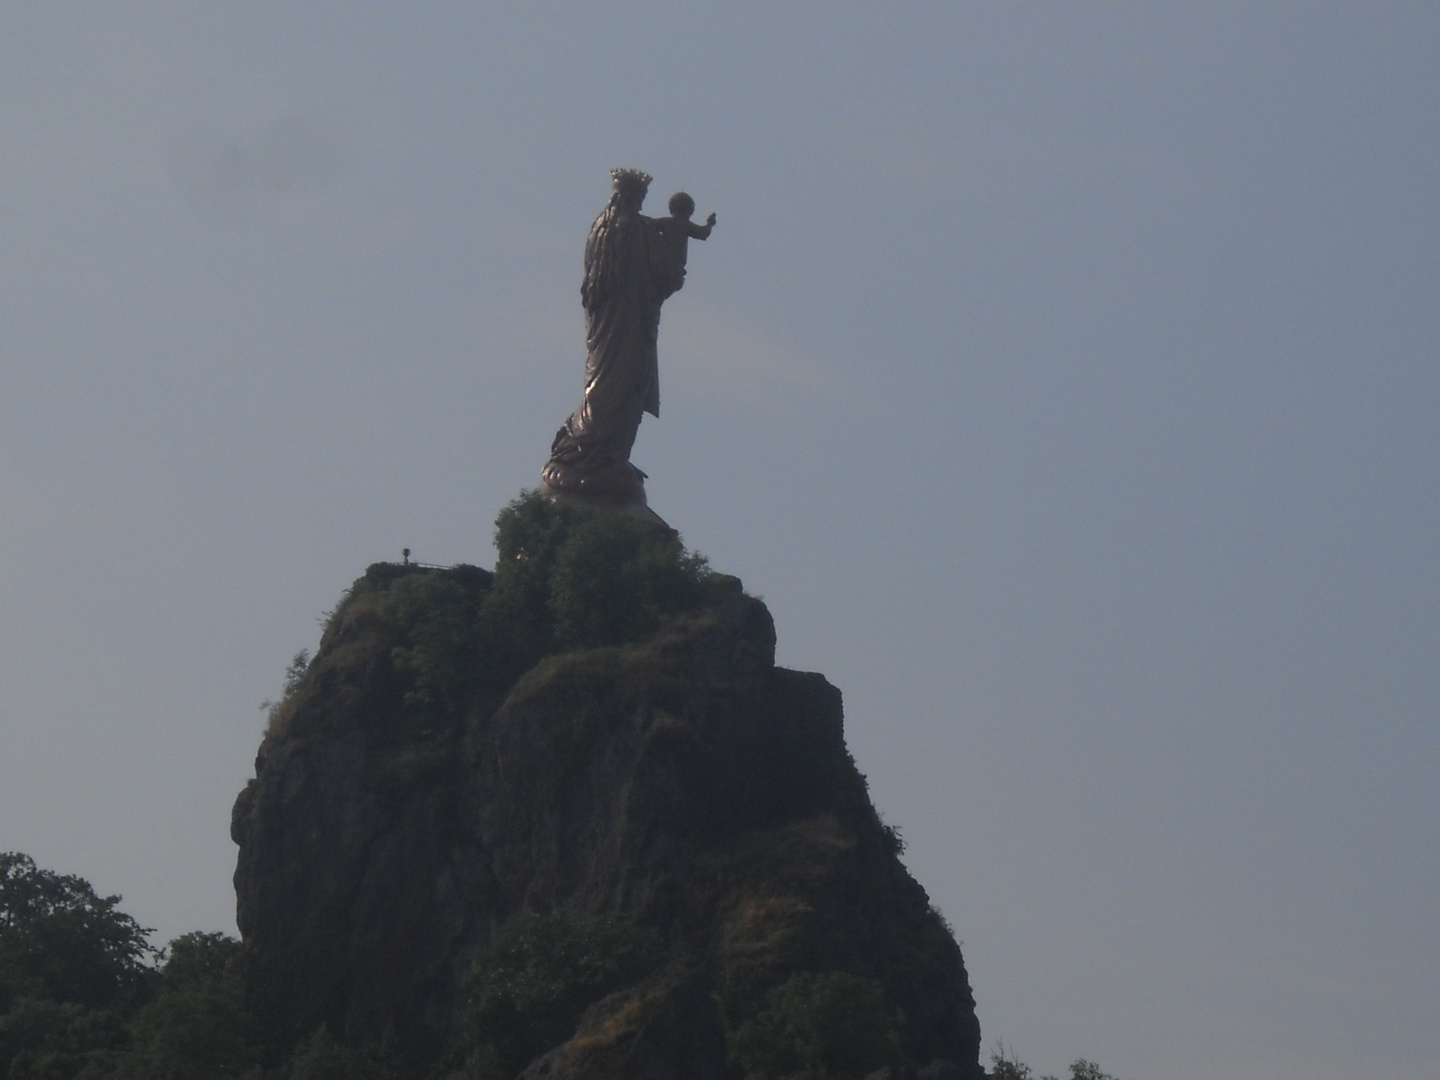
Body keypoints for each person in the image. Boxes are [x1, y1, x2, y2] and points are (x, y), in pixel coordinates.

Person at [540, 169, 715, 509]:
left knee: (616, 386)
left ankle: (598, 452)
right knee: (620, 388)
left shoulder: (605, 227)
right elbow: (666, 275)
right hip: (627, 324)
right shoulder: (636, 229)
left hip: (614, 324)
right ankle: (594, 452)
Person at [652, 192, 716, 283]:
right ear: (690, 211)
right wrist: (710, 223)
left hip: (664, 263)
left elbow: (649, 224)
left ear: (671, 209)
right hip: (675, 265)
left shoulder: (666, 222)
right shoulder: (685, 225)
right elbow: (703, 233)